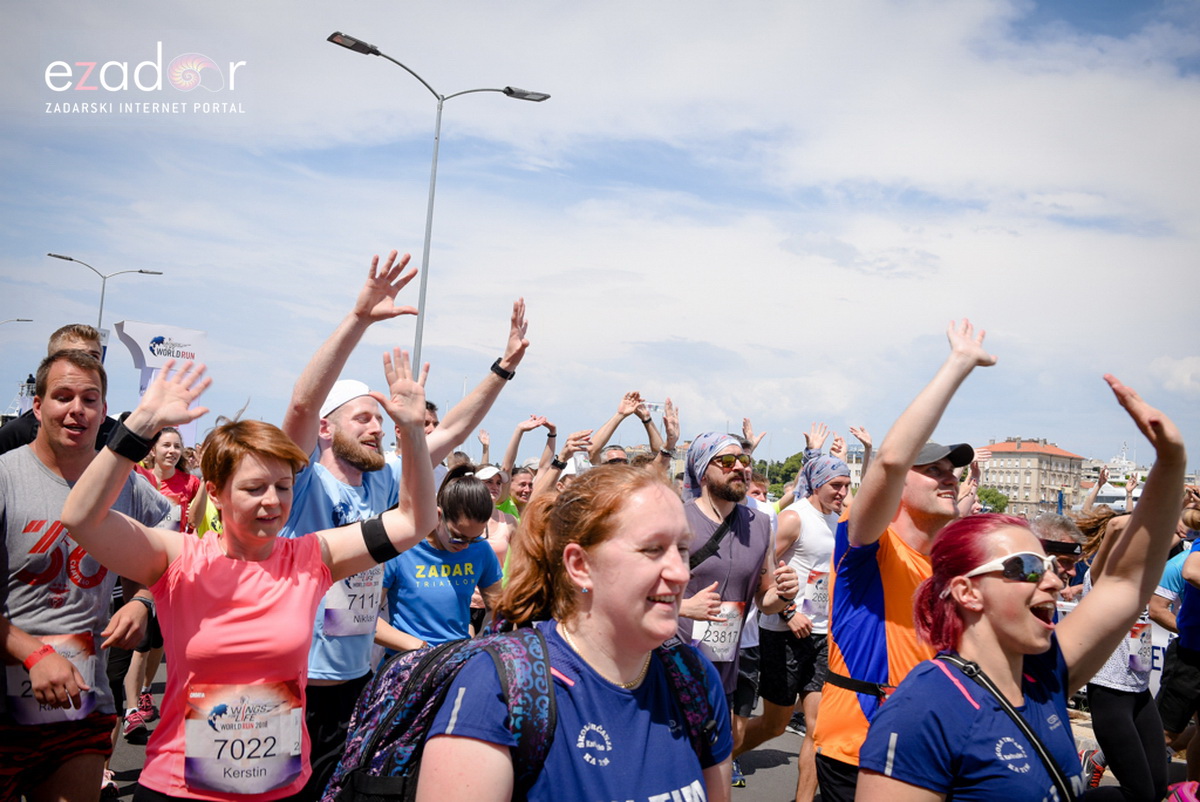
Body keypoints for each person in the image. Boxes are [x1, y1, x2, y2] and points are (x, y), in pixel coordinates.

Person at [59, 353, 438, 801]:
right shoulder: (178, 558)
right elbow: (81, 518)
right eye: (254, 488)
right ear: (215, 493)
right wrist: (141, 425)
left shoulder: (311, 557)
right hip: (180, 789)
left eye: (283, 487)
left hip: (281, 790)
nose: (272, 501)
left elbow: (414, 521)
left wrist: (413, 431)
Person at [858, 374, 1185, 800]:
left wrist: (1170, 462)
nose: (1052, 579)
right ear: (967, 592)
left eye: (1050, 565)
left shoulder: (1044, 675)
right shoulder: (925, 710)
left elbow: (1125, 581)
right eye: (1027, 567)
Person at [279, 252, 529, 799]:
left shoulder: (385, 481)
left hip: (357, 680)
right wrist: (358, 319)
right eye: (363, 417)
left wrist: (503, 368)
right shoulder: (300, 483)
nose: (377, 426)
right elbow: (300, 404)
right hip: (294, 683)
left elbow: (453, 429)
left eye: (380, 417)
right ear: (327, 429)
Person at [415, 465, 734, 801]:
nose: (681, 573)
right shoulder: (498, 687)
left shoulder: (692, 677)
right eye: (652, 549)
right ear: (580, 566)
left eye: (682, 549)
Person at [811, 320, 992, 802]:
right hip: (859, 746)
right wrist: (958, 365)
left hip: (931, 747)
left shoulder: (952, 565)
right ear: (899, 486)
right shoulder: (869, 546)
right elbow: (891, 460)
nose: (949, 478)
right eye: (932, 469)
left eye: (952, 471)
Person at [1, 349, 169, 801]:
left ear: (103, 409)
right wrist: (34, 654)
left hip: (81, 706)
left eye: (90, 399)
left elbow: (160, 550)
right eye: (63, 396)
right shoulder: (5, 478)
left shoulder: (125, 484)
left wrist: (141, 600)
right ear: (38, 406)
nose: (77, 409)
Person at [677, 431, 799, 786]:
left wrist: (784, 594)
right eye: (727, 461)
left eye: (744, 461)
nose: (740, 468)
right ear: (703, 471)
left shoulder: (760, 525)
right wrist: (685, 606)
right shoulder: (677, 520)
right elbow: (640, 591)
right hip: (673, 663)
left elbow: (765, 599)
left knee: (713, 769)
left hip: (724, 668)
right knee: (674, 766)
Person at [741, 438, 851, 802]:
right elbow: (760, 569)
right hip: (783, 633)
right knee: (775, 724)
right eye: (836, 485)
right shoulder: (794, 517)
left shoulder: (837, 520)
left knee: (818, 729)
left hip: (821, 634)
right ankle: (714, 760)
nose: (842, 492)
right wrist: (788, 612)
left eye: (847, 485)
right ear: (817, 484)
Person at [376, 465, 503, 655]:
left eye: (474, 538)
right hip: (409, 660)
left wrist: (478, 643)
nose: (465, 546)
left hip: (457, 660)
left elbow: (498, 607)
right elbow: (364, 617)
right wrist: (420, 647)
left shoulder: (481, 549)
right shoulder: (403, 548)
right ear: (437, 516)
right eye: (458, 537)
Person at [0, 323, 119, 455]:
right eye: (63, 399)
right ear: (38, 406)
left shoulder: (116, 439)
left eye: (94, 357)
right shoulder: (14, 437)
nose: (85, 363)